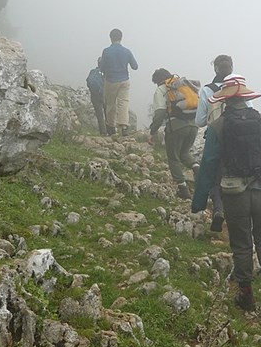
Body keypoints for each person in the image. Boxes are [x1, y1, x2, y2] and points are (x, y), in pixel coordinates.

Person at [191, 74, 261, 311]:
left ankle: (246, 293)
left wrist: (198, 202)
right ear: (246, 98)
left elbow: (208, 165)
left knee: (241, 243)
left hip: (234, 190)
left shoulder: (218, 126)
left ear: (225, 101)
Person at [148, 68, 200, 200]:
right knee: (184, 153)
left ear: (157, 80)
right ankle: (197, 168)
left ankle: (183, 189)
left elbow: (159, 114)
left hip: (176, 127)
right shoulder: (183, 85)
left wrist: (153, 131)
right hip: (193, 125)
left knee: (173, 157)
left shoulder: (162, 89)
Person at [195, 54, 234, 232]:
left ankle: (218, 208)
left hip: (215, 139)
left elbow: (200, 121)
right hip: (238, 140)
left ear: (215, 69)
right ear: (231, 69)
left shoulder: (207, 90)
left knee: (214, 176)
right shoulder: (239, 88)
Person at [100, 28, 138, 136]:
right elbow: (135, 66)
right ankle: (124, 127)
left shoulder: (106, 51)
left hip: (110, 80)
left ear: (110, 38)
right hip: (124, 80)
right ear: (121, 38)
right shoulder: (127, 51)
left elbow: (102, 67)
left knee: (111, 104)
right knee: (123, 103)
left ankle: (111, 127)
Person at [86, 58, 107, 136]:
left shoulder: (93, 71)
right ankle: (110, 131)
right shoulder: (106, 73)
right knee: (107, 112)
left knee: (99, 114)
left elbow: (88, 82)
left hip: (95, 96)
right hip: (104, 95)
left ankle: (103, 132)